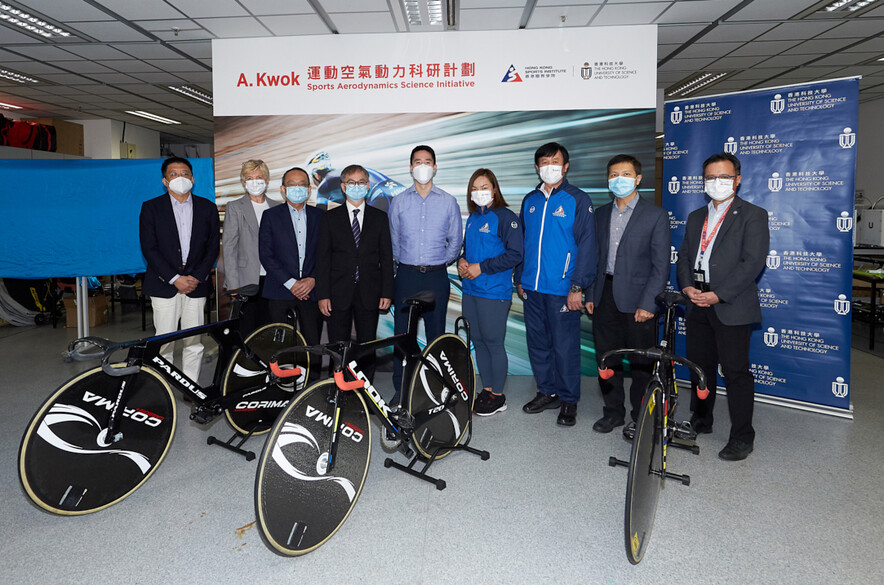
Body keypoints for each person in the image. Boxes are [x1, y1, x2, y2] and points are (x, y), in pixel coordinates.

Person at [676, 152, 769, 461]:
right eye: (711, 178)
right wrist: (687, 286)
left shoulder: (753, 214)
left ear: (737, 180)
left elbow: (752, 262)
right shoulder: (694, 217)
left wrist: (718, 294)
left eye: (724, 177)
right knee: (700, 369)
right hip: (696, 302)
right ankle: (702, 419)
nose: (717, 183)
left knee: (735, 371)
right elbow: (685, 257)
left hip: (730, 304)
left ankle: (743, 436)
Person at [586, 154, 670, 437]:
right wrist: (590, 293)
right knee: (607, 359)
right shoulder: (599, 215)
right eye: (612, 175)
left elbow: (661, 265)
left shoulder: (655, 215)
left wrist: (649, 303)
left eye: (624, 174)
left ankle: (640, 416)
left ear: (638, 178)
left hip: (639, 300)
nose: (618, 179)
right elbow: (594, 259)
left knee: (640, 363)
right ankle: (613, 412)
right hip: (604, 294)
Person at [515, 142, 596, 426]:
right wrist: (520, 278)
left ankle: (569, 400)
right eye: (544, 162)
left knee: (565, 348)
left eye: (555, 161)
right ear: (537, 167)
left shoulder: (578, 200)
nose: (549, 166)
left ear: (565, 166)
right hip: (532, 288)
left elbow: (587, 247)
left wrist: (577, 287)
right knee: (538, 345)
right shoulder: (530, 201)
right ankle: (546, 391)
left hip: (563, 290)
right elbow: (522, 244)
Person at [388, 145, 463, 402]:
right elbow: (393, 240)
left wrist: (440, 261)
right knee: (402, 335)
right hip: (406, 275)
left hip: (436, 276)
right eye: (417, 161)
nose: (422, 166)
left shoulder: (448, 201)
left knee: (436, 335)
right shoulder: (398, 201)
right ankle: (401, 388)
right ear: (410, 167)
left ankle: (436, 387)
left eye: (427, 161)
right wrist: (404, 262)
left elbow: (456, 241)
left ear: (435, 167)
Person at [139, 157, 220, 384]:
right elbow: (149, 247)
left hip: (196, 284)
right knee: (164, 341)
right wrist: (175, 278)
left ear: (193, 179)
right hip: (164, 284)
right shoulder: (151, 208)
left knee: (193, 341)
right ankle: (162, 384)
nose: (180, 178)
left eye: (184, 173)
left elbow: (212, 246)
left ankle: (189, 385)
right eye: (174, 174)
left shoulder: (207, 208)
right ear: (165, 181)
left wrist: (195, 276)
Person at [316, 164, 394, 382]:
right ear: (343, 186)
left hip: (370, 292)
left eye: (361, 182)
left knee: (367, 345)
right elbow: (322, 260)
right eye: (351, 182)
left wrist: (387, 292)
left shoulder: (379, 218)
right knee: (338, 347)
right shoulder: (330, 218)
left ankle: (364, 391)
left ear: (368, 186)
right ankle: (339, 390)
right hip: (337, 292)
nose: (356, 186)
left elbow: (387, 258)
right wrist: (323, 295)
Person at [458, 169, 523, 416]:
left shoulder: (506, 217)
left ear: (494, 189)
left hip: (494, 292)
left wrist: (481, 267)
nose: (479, 192)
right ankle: (486, 389)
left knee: (494, 342)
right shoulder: (473, 218)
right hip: (471, 290)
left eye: (484, 187)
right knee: (479, 342)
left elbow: (515, 254)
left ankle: (498, 395)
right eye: (474, 188)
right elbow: (468, 249)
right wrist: (463, 261)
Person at [259, 166, 324, 381]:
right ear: (283, 190)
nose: (298, 188)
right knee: (280, 342)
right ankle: (282, 384)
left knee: (312, 341)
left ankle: (313, 385)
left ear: (309, 189)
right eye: (292, 185)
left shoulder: (320, 216)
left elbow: (326, 254)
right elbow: (266, 255)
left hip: (311, 290)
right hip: (279, 289)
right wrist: (291, 283)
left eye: (302, 185)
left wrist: (312, 279)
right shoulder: (270, 216)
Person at [221, 159, 280, 336]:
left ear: (267, 180)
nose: (255, 182)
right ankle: (247, 364)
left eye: (259, 177)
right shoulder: (235, 207)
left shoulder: (277, 207)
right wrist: (233, 285)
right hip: (246, 280)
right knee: (248, 328)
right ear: (243, 182)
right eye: (249, 178)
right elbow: (229, 247)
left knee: (271, 326)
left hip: (273, 279)